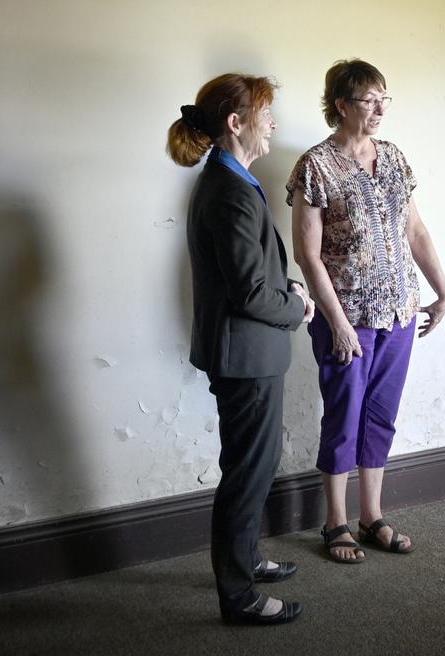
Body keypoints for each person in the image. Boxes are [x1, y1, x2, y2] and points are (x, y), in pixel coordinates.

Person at [287, 59, 445, 564]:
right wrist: (335, 323)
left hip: (399, 311)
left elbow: (415, 231)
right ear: (340, 105)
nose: (380, 109)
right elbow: (306, 254)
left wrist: (442, 290)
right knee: (344, 414)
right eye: (368, 100)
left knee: (380, 416)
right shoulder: (314, 165)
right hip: (347, 317)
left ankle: (371, 514)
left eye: (385, 99)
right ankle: (335, 521)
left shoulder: (395, 158)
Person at [167, 73, 314, 625]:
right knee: (249, 473)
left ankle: (247, 558)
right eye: (265, 113)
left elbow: (253, 276)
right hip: (246, 356)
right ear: (236, 123)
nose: (273, 122)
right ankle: (239, 595)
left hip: (247, 353)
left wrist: (290, 288)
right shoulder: (229, 191)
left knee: (250, 463)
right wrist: (298, 306)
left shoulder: (232, 180)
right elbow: (251, 291)